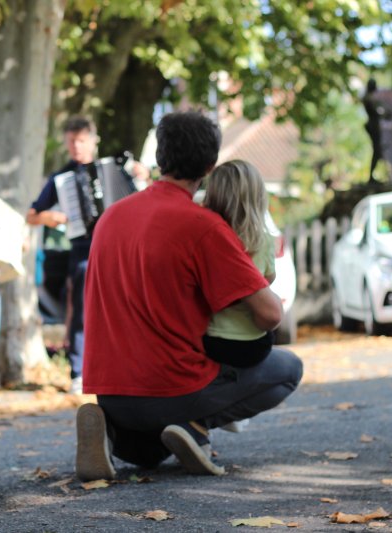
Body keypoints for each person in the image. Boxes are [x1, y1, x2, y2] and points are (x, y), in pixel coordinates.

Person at [76, 111, 303, 481]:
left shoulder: (110, 218)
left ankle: (110, 431)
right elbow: (270, 315)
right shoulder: (203, 226)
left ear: (160, 158)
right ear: (210, 166)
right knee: (287, 368)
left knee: (150, 456)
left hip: (110, 393)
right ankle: (195, 426)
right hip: (173, 388)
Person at [201, 160, 276, 434]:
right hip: (252, 345)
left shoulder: (206, 239)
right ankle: (233, 407)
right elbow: (267, 280)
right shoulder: (264, 241)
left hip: (212, 341)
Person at [25, 116, 98, 395]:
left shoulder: (113, 168)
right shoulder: (61, 178)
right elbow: (32, 215)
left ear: (92, 141)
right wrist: (50, 217)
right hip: (82, 251)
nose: (76, 146)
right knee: (81, 310)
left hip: (113, 250)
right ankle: (78, 372)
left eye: (81, 140)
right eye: (71, 141)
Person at [363, 78, 391, 183]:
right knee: (377, 150)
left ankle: (375, 175)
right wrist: (385, 114)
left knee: (378, 151)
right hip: (373, 126)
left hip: (374, 126)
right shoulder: (369, 98)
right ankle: (372, 177)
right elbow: (376, 112)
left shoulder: (369, 98)